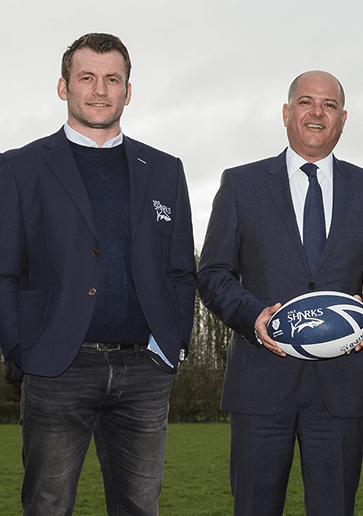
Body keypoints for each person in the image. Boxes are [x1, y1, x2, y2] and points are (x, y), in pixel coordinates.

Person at [0, 33, 196, 516]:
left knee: (139, 507)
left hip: (145, 371)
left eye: (113, 79)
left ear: (128, 91)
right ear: (63, 87)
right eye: (87, 77)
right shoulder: (19, 168)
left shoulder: (166, 170)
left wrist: (172, 344)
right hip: (56, 368)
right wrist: (20, 349)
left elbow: (180, 270)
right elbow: (3, 270)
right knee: (46, 505)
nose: (100, 89)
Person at [197, 70, 363, 516]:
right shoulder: (240, 184)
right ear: (287, 113)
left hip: (340, 388)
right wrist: (254, 317)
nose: (317, 112)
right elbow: (212, 273)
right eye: (306, 102)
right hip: (259, 383)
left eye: (329, 105)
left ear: (343, 120)